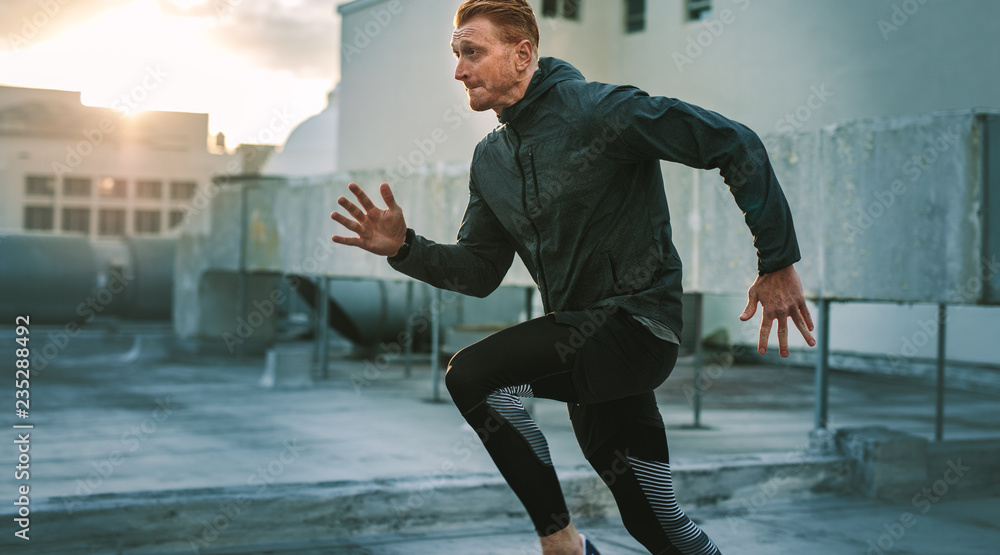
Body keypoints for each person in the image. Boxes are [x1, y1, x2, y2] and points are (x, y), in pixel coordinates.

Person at [331, 1, 816, 553]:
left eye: (472, 52)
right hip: (582, 345)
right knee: (655, 522)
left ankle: (563, 543)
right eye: (456, 55)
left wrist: (776, 260)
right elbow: (481, 269)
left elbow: (734, 142)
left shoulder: (601, 110)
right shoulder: (490, 160)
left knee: (473, 376)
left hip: (637, 329)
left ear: (522, 55)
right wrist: (406, 248)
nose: (459, 70)